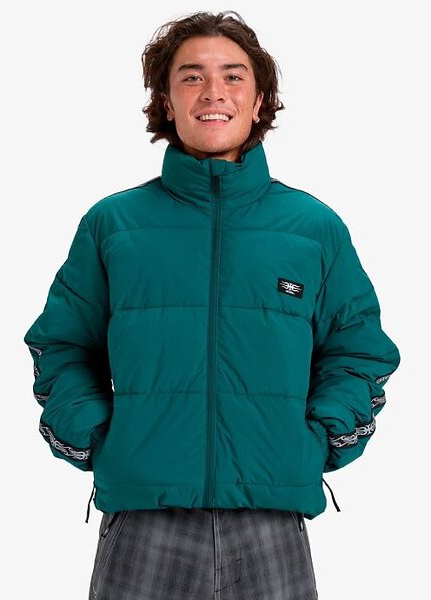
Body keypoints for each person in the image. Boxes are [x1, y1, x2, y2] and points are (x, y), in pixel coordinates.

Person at [23, 10, 401, 600]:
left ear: (259, 101)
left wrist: (318, 440)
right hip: (145, 518)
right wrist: (100, 438)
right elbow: (62, 344)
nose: (213, 92)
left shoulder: (313, 228)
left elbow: (358, 350)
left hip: (271, 517)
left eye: (233, 76)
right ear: (166, 101)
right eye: (192, 76)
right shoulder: (113, 225)